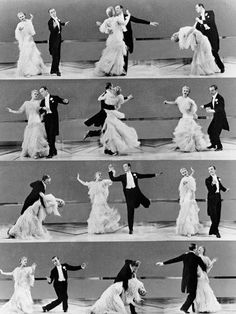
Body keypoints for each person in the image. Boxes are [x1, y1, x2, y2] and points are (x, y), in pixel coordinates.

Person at [108, 163, 161, 234]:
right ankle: (131, 229)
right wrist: (110, 170)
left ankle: (140, 203)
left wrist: (155, 175)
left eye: (126, 166)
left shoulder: (135, 174)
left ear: (129, 167)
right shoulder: (122, 176)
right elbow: (113, 179)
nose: (124, 168)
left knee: (147, 203)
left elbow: (144, 176)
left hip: (136, 192)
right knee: (130, 212)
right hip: (129, 195)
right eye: (123, 167)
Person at [156, 243, 207, 314]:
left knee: (192, 294)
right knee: (193, 294)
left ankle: (191, 307)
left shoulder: (185, 255)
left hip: (186, 278)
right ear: (195, 249)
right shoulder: (197, 257)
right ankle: (184, 308)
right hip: (193, 279)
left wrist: (163, 263)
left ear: (189, 248)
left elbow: (175, 259)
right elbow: (204, 267)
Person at [114, 5, 159, 74]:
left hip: (127, 38)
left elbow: (137, 20)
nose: (116, 10)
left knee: (125, 53)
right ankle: (118, 69)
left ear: (121, 9)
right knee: (119, 54)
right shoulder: (115, 18)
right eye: (115, 9)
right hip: (119, 38)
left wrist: (150, 23)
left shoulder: (127, 16)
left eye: (117, 8)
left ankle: (124, 71)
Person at [164, 85, 209, 152]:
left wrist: (194, 114)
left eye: (187, 91)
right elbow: (175, 102)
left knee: (190, 133)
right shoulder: (179, 99)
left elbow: (193, 111)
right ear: (182, 91)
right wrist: (167, 102)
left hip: (189, 119)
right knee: (182, 133)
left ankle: (192, 147)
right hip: (183, 118)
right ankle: (183, 146)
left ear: (188, 92)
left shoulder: (190, 101)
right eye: (184, 91)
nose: (185, 92)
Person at [7, 89, 49, 159]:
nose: (36, 95)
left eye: (37, 94)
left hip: (37, 122)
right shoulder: (26, 103)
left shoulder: (38, 102)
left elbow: (45, 104)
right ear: (31, 94)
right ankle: (31, 152)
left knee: (36, 137)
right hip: (30, 123)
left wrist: (45, 110)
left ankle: (36, 153)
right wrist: (11, 111)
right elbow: (20, 111)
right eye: (35, 94)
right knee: (30, 139)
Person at [100, 86, 139, 155]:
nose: (112, 89)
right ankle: (108, 149)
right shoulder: (111, 97)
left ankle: (110, 150)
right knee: (109, 134)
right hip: (110, 117)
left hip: (111, 117)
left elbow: (119, 103)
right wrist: (128, 98)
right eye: (113, 89)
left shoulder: (114, 99)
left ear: (115, 92)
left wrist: (128, 98)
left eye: (114, 89)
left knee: (111, 134)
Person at [94, 7, 131, 76]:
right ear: (113, 12)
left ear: (108, 14)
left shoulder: (107, 21)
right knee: (117, 56)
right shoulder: (117, 19)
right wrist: (128, 16)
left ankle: (107, 70)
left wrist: (100, 25)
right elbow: (124, 23)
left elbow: (103, 30)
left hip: (111, 40)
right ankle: (113, 70)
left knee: (110, 54)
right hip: (117, 39)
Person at [39, 86, 69, 158]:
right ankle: (54, 150)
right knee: (49, 136)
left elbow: (63, 101)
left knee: (52, 135)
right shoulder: (42, 101)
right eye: (40, 92)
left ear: (46, 90)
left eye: (42, 91)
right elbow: (40, 111)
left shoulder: (54, 97)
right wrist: (43, 108)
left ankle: (51, 152)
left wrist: (66, 101)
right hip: (47, 119)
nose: (41, 93)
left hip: (53, 119)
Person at [195, 3, 225, 73]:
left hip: (213, 36)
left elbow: (210, 21)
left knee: (214, 51)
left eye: (196, 8)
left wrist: (200, 21)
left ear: (201, 7)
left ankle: (220, 66)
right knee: (208, 52)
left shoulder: (210, 12)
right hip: (205, 38)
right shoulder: (199, 18)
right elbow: (196, 28)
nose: (196, 9)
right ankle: (216, 67)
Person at [15, 12, 46, 77]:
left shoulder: (28, 21)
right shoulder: (19, 24)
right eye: (20, 17)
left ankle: (37, 71)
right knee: (27, 56)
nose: (21, 18)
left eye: (22, 16)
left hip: (31, 41)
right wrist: (20, 31)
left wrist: (31, 18)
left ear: (24, 16)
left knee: (34, 55)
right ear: (19, 18)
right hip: (25, 42)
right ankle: (27, 72)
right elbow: (17, 34)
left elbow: (30, 26)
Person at [200, 84, 229, 151]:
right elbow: (211, 103)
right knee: (210, 130)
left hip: (220, 118)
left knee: (215, 132)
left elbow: (220, 108)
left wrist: (212, 110)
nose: (211, 92)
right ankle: (213, 144)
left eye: (212, 90)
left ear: (216, 90)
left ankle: (219, 147)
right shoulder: (214, 97)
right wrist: (204, 106)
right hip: (216, 118)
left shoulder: (220, 98)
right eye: (210, 91)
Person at [195, 246, 221, 312]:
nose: (199, 249)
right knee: (199, 291)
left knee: (205, 290)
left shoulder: (205, 258)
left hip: (202, 276)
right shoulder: (195, 257)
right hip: (197, 276)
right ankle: (199, 306)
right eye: (198, 249)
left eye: (200, 249)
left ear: (203, 250)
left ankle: (206, 306)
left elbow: (208, 267)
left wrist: (212, 261)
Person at [176, 168, 201, 237]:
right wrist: (185, 186)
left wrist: (193, 172)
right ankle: (188, 231)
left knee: (192, 212)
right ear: (182, 174)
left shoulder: (189, 177)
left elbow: (190, 178)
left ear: (187, 171)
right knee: (187, 213)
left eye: (185, 172)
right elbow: (182, 189)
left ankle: (193, 230)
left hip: (192, 196)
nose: (185, 173)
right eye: (183, 173)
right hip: (187, 197)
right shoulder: (183, 180)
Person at [205, 165, 229, 238]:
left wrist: (225, 190)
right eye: (209, 170)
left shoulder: (218, 178)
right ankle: (216, 231)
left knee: (218, 215)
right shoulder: (207, 179)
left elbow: (220, 186)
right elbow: (210, 189)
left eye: (212, 169)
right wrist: (213, 183)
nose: (210, 171)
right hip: (212, 198)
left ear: (215, 170)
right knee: (213, 216)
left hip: (218, 197)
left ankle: (212, 231)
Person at [48, 8, 69, 76]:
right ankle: (56, 70)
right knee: (56, 56)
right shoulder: (50, 21)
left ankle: (53, 70)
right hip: (54, 40)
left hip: (58, 38)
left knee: (57, 56)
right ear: (50, 14)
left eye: (54, 11)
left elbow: (59, 24)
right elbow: (52, 30)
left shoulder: (56, 19)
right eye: (51, 12)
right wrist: (54, 27)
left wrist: (64, 24)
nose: (53, 13)